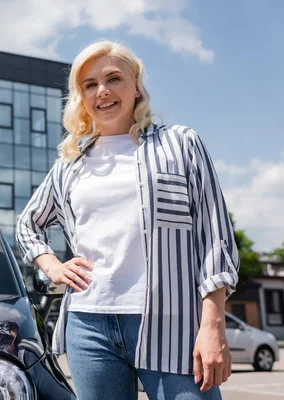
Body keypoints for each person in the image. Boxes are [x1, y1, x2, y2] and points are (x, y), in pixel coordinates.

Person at [16, 40, 239, 400]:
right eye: (89, 84)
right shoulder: (69, 167)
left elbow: (216, 236)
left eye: (113, 78)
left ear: (136, 86)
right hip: (89, 327)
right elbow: (28, 225)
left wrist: (213, 325)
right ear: (82, 98)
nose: (102, 91)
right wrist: (53, 267)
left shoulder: (180, 144)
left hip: (173, 324)